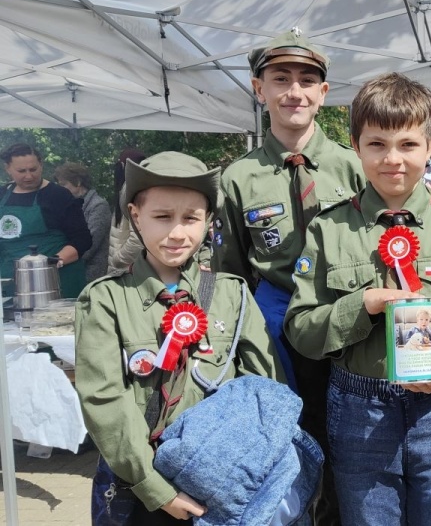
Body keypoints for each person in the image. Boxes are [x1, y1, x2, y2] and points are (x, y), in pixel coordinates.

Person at [284, 72, 431, 526]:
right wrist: (360, 306)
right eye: (377, 144)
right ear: (355, 146)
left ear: (429, 146)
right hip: (358, 409)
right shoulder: (329, 230)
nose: (393, 160)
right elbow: (301, 328)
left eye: (407, 145)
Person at [75, 151, 283, 524]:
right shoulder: (106, 299)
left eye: (191, 218)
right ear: (136, 216)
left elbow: (264, 391)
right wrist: (156, 489)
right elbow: (104, 401)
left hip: (220, 483)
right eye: (161, 217)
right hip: (142, 486)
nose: (176, 232)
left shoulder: (232, 294)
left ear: (208, 222)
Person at [213, 27, 364, 525]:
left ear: (324, 93)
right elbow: (229, 268)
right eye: (280, 79)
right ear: (260, 90)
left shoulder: (353, 165)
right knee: (284, 430)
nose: (293, 91)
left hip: (346, 317)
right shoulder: (238, 177)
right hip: (274, 315)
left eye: (307, 80)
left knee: (346, 429)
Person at [0, 143, 91, 298]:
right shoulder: (2, 195)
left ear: (41, 165)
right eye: (21, 171)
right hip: (11, 285)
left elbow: (82, 239)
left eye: (33, 169)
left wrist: (52, 262)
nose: (28, 176)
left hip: (58, 281)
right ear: (7, 168)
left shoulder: (58, 195)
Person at [54, 162, 111, 282]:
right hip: (71, 269)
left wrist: (64, 257)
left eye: (64, 184)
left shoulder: (98, 205)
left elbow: (90, 244)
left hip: (90, 275)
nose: (60, 189)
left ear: (78, 182)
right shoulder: (67, 205)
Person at [109, 149, 147, 275]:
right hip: (126, 269)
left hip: (127, 270)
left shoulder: (131, 189)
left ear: (123, 166)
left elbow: (138, 238)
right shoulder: (132, 187)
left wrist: (117, 259)